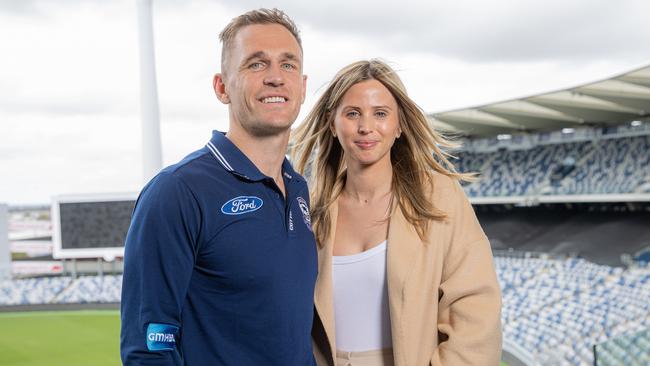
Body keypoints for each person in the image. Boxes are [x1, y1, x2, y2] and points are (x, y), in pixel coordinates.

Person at [120, 8, 318, 365]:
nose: (276, 77)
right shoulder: (176, 193)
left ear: (302, 87)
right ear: (221, 87)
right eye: (256, 64)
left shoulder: (300, 189)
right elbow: (148, 350)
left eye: (288, 64)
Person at [292, 60, 502, 366]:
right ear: (331, 123)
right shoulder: (311, 209)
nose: (366, 127)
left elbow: (476, 310)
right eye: (352, 113)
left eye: (380, 113)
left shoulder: (439, 198)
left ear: (399, 124)